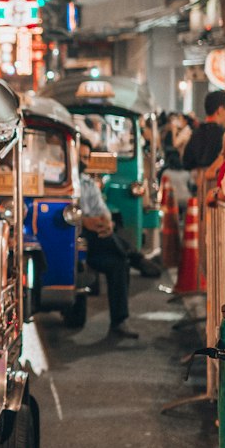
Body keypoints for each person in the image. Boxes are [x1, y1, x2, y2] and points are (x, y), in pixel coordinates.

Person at [79, 140, 137, 341]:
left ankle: (119, 322)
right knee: (118, 250)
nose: (82, 161)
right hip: (74, 242)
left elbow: (103, 214)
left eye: (86, 157)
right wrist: (84, 220)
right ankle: (132, 252)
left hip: (95, 241)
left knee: (119, 263)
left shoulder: (88, 184)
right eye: (79, 156)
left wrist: (102, 222)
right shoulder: (62, 182)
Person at [182, 91, 225, 176]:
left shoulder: (196, 133)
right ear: (220, 110)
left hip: (195, 187)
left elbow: (186, 162)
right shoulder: (224, 136)